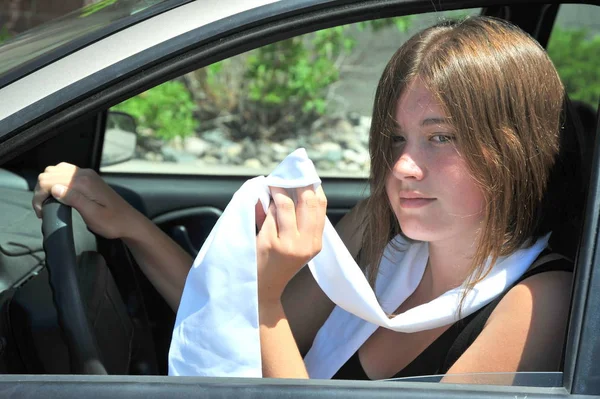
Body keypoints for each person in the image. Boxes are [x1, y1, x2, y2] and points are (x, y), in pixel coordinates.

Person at [32, 16, 577, 382]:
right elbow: (230, 326)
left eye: (441, 137)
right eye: (394, 139)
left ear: (513, 147)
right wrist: (128, 224)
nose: (403, 167)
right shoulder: (381, 234)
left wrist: (268, 301)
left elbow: (263, 323)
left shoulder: (537, 300)